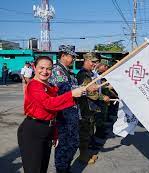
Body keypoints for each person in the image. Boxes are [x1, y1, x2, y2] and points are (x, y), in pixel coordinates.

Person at [17, 56, 86, 173]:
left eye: (48, 69)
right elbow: (49, 104)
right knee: (33, 169)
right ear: (34, 67)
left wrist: (54, 133)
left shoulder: (49, 86)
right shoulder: (34, 85)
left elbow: (53, 112)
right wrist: (71, 94)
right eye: (41, 68)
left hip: (47, 129)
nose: (45, 71)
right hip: (33, 129)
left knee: (43, 166)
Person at [48, 45, 81, 173]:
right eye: (72, 56)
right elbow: (62, 90)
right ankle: (61, 169)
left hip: (72, 113)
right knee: (63, 144)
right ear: (63, 56)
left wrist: (84, 89)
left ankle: (65, 167)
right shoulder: (56, 70)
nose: (73, 59)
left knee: (73, 143)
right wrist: (82, 89)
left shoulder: (70, 72)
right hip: (63, 114)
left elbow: (75, 90)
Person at [76, 52, 109, 164]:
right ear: (86, 60)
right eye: (93, 62)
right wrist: (102, 97)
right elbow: (89, 92)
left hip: (91, 108)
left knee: (90, 131)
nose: (95, 64)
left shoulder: (89, 73)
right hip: (85, 108)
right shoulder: (83, 74)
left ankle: (87, 153)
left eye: (96, 62)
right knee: (85, 133)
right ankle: (83, 157)